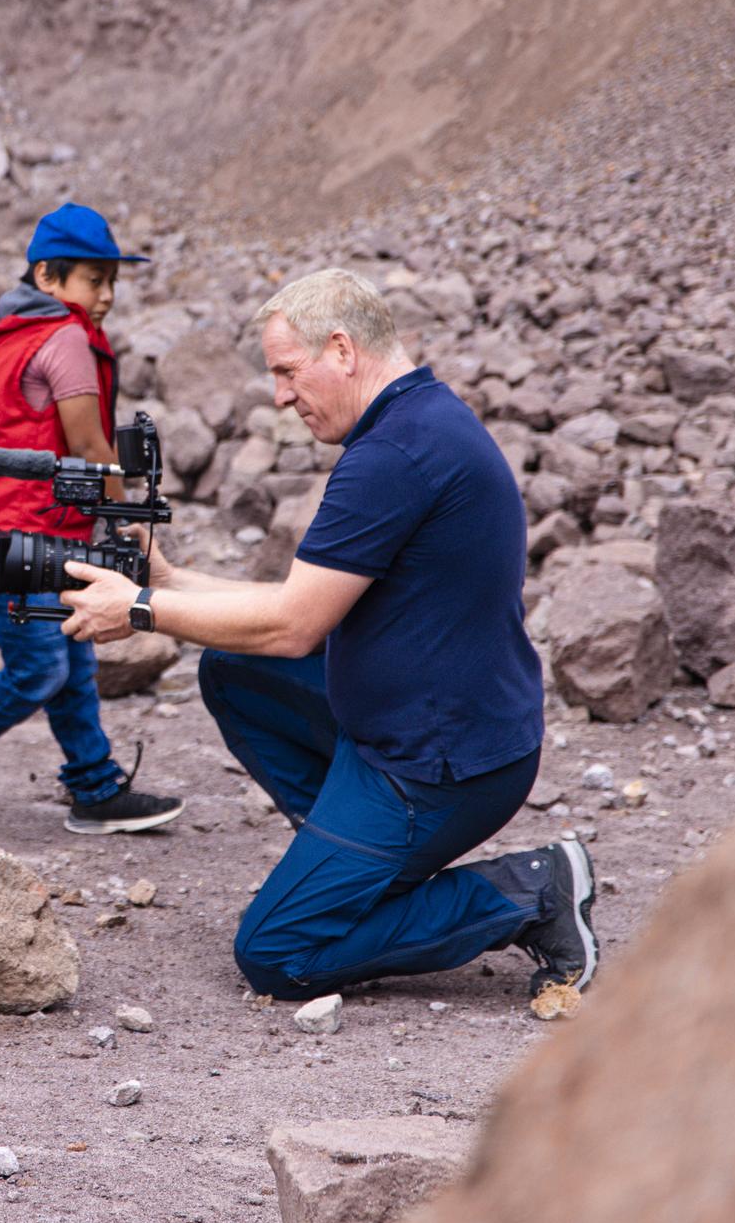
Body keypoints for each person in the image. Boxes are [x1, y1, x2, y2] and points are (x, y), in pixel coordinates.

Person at [57, 267, 598, 1002]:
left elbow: (291, 625)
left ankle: (531, 891)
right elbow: (298, 601)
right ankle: (351, 862)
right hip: (428, 725)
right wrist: (170, 581)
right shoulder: (417, 421)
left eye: (287, 371)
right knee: (231, 669)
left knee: (277, 951)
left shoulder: (392, 458)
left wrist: (142, 611)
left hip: (440, 765)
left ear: (341, 349)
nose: (280, 396)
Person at [0, 203, 184, 836]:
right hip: (5, 533)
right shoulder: (68, 339)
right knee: (41, 668)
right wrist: (123, 511)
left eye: (112, 281)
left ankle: (95, 787)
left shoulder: (21, 332)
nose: (105, 296)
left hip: (2, 526)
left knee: (73, 656)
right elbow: (86, 445)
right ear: (48, 277)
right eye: (92, 281)